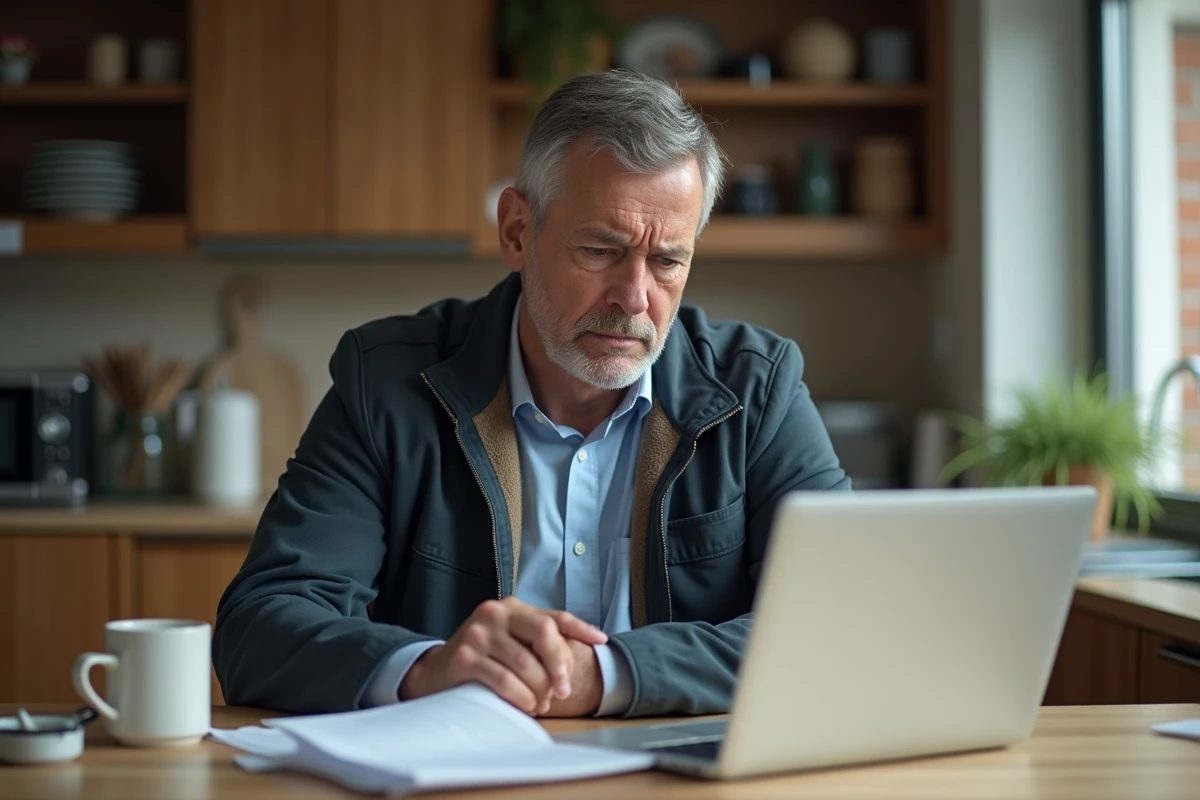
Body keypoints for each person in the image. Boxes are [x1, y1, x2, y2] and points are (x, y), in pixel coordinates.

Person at [213, 69, 850, 719]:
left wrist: (605, 676)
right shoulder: (386, 384)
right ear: (517, 231)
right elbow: (258, 627)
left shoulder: (758, 387)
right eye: (601, 250)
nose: (635, 298)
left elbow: (843, 626)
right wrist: (428, 670)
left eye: (668, 262)